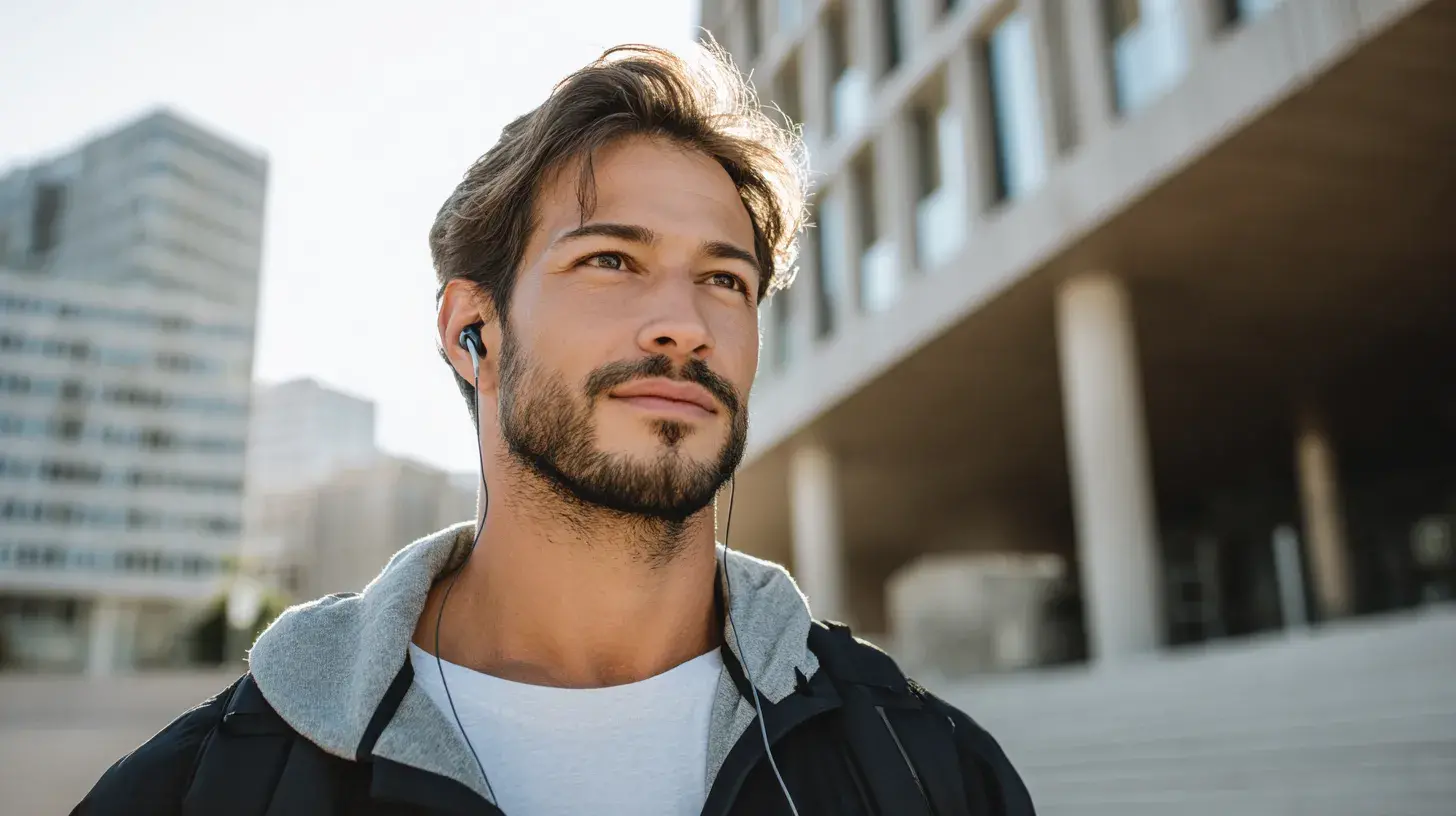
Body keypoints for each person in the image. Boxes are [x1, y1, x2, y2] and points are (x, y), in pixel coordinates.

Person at [73, 44, 1034, 816]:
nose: (685, 323)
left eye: (724, 279)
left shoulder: (931, 771)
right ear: (470, 329)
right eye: (612, 259)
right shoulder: (199, 788)